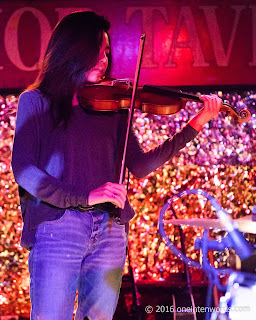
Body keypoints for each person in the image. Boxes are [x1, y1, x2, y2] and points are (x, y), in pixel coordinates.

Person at [11, 11, 222, 320]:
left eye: (107, 52)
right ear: (73, 49)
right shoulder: (36, 101)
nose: (104, 59)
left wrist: (195, 124)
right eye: (98, 49)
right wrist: (84, 197)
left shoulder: (112, 106)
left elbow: (140, 165)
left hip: (111, 231)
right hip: (59, 227)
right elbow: (24, 169)